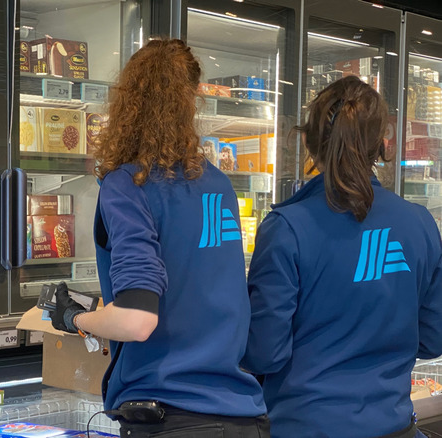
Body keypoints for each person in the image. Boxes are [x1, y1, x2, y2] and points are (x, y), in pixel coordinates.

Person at [48, 38, 269, 438]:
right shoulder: (217, 183)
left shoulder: (128, 185)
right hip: (243, 415)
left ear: (126, 102)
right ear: (191, 102)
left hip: (171, 416)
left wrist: (72, 318)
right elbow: (194, 282)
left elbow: (137, 320)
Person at [241, 76, 442, 438]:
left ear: (309, 141)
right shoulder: (419, 223)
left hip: (304, 427)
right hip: (394, 426)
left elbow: (265, 352)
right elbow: (432, 338)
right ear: (382, 144)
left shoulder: (286, 227)